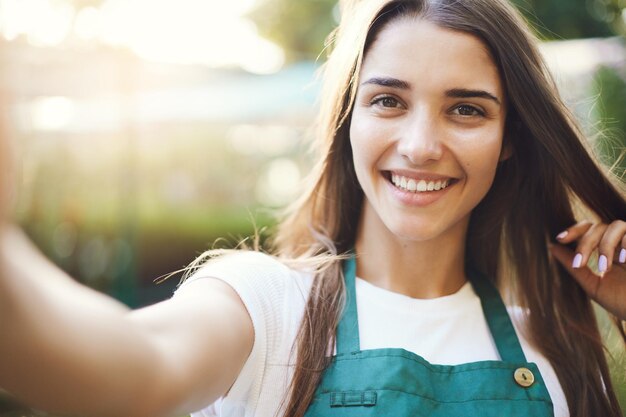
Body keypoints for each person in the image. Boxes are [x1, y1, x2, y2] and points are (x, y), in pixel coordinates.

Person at [0, 0, 625, 416]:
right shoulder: (267, 307)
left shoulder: (551, 350)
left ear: (509, 137)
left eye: (466, 109)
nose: (420, 146)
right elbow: (138, 372)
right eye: (388, 101)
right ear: (348, 119)